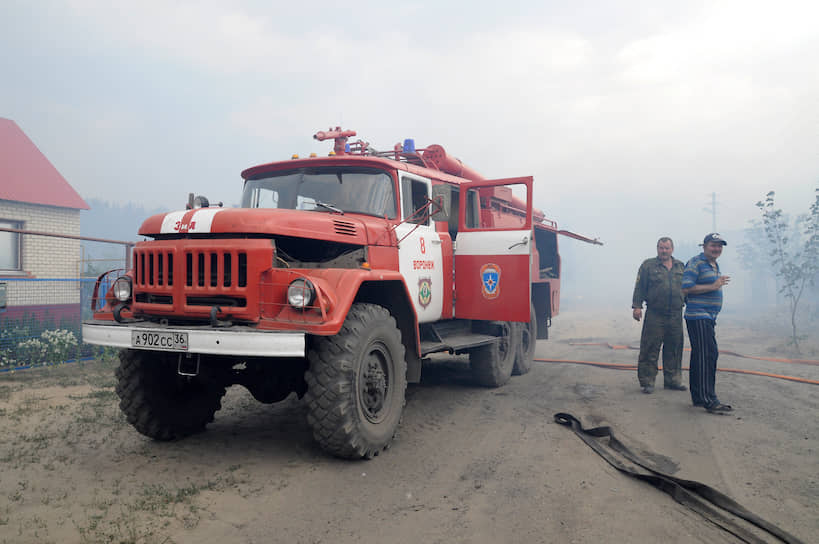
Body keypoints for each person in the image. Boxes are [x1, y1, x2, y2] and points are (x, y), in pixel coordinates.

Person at [682, 233, 732, 414]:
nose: (717, 249)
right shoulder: (696, 263)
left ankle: (698, 396)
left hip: (708, 317)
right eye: (713, 245)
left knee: (702, 355)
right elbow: (686, 287)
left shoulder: (713, 264)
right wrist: (713, 286)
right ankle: (709, 399)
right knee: (707, 356)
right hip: (698, 315)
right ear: (704, 246)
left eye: (720, 246)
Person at [631, 237, 686, 394]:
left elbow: (687, 288)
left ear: (672, 249)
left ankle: (673, 380)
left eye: (667, 248)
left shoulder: (680, 266)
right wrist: (637, 306)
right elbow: (639, 287)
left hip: (675, 314)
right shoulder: (648, 266)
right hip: (655, 314)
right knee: (650, 348)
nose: (664, 251)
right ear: (657, 249)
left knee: (674, 348)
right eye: (661, 248)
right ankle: (647, 381)